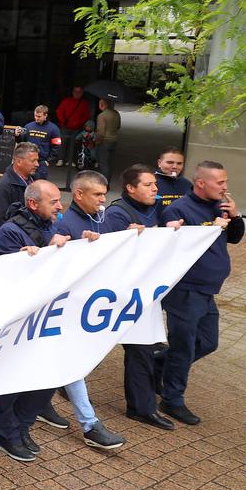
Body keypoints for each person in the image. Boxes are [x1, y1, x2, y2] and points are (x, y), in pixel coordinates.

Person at [0, 179, 72, 462]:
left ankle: (22, 426)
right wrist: (47, 251)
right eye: (54, 202)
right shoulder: (10, 232)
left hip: (45, 317)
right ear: (33, 204)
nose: (60, 206)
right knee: (11, 381)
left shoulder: (53, 225)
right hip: (16, 322)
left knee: (46, 377)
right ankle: (6, 433)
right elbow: (10, 277)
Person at [159, 161, 244, 426]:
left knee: (207, 342)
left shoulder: (220, 207)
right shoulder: (178, 210)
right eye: (220, 182)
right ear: (200, 183)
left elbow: (234, 238)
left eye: (225, 181)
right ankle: (172, 400)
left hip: (207, 291)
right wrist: (210, 228)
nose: (225, 187)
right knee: (183, 348)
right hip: (185, 291)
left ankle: (156, 365)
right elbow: (176, 247)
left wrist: (236, 217)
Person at [47, 170, 127, 450]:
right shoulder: (67, 224)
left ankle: (43, 405)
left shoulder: (97, 219)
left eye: (105, 194)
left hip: (80, 308)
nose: (103, 200)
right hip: (65, 310)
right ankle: (90, 425)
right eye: (97, 195)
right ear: (79, 195)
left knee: (66, 361)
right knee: (73, 362)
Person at [105, 163, 186, 429]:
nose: (155, 189)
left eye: (155, 184)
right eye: (148, 185)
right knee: (97, 344)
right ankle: (66, 382)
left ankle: (141, 408)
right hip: (117, 296)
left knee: (141, 349)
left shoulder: (154, 210)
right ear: (130, 188)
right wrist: (123, 239)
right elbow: (105, 253)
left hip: (141, 295)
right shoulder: (117, 214)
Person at [0, 142, 40, 233]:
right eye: (33, 161)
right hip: (13, 241)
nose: (37, 164)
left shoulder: (34, 180)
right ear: (19, 162)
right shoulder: (3, 187)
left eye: (37, 160)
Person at [55, 86, 92, 166]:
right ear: (72, 92)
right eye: (75, 91)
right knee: (63, 143)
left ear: (82, 93)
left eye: (79, 92)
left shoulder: (84, 104)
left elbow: (86, 116)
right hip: (65, 126)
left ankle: (70, 160)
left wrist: (79, 123)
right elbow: (59, 112)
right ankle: (60, 159)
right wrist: (63, 121)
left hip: (77, 128)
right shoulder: (66, 101)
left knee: (74, 144)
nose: (77, 93)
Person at [24, 105, 63, 179]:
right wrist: (17, 136)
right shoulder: (28, 126)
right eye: (35, 116)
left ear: (45, 116)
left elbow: (57, 146)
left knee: (39, 184)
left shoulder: (53, 128)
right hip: (27, 159)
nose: (36, 118)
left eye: (39, 116)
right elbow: (22, 142)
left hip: (42, 161)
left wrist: (49, 160)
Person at [95, 98, 120, 182]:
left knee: (103, 163)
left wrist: (97, 142)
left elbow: (101, 132)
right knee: (109, 163)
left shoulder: (102, 115)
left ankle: (104, 183)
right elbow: (118, 126)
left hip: (104, 141)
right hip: (114, 140)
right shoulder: (116, 113)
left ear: (102, 105)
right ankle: (107, 181)